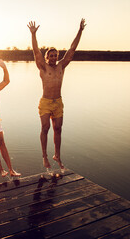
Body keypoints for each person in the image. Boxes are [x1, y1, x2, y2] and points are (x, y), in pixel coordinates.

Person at [27, 19, 86, 170]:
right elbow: (35, 51)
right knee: (45, 128)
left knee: (58, 129)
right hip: (46, 102)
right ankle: (45, 157)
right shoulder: (43, 67)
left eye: (55, 55)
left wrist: (80, 31)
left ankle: (57, 156)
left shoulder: (61, 66)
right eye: (51, 55)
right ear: (47, 57)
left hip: (58, 102)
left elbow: (72, 49)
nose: (53, 57)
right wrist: (33, 34)